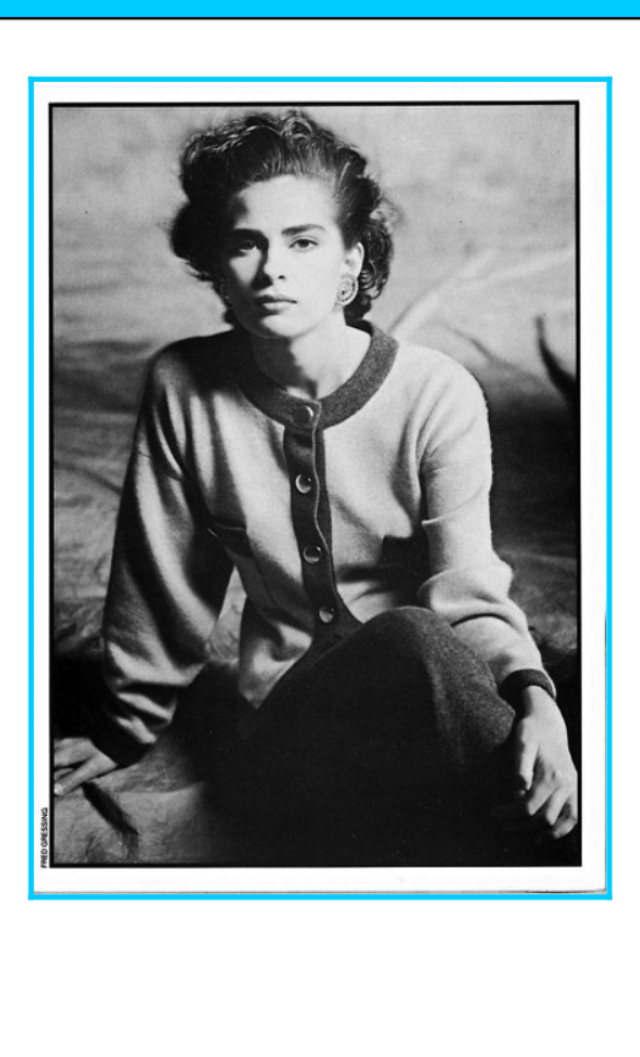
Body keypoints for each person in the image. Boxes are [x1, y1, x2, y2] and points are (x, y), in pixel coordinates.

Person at [54, 109, 578, 865]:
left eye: (303, 242)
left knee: (563, 699)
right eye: (246, 243)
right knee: (410, 638)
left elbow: (466, 588)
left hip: (445, 695)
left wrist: (538, 704)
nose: (273, 269)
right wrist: (122, 727)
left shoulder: (438, 393)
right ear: (218, 265)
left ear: (350, 262)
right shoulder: (183, 385)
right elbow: (158, 581)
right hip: (294, 723)